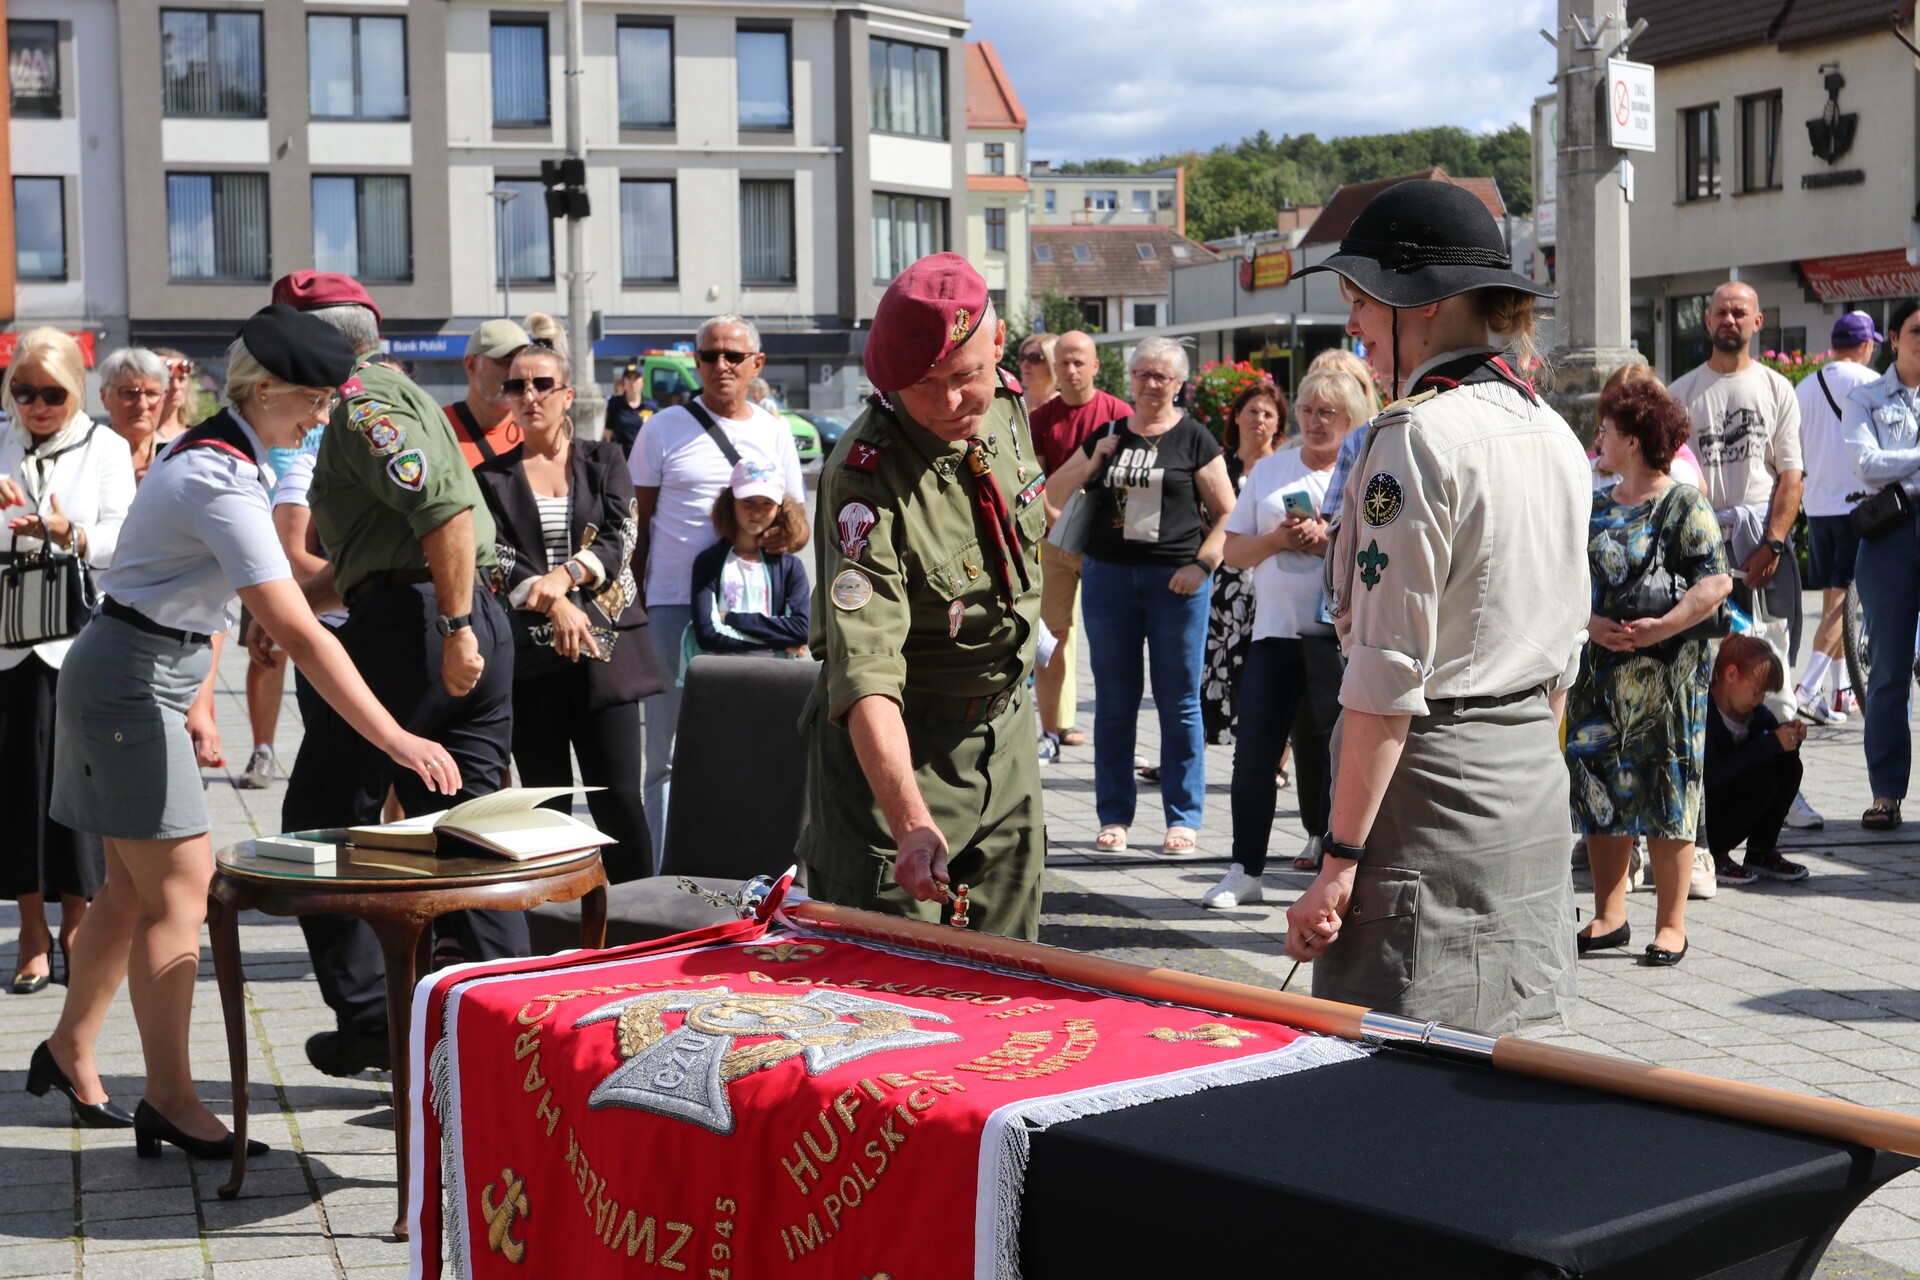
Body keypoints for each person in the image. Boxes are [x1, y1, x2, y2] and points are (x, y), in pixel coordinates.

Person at [29, 305, 458, 1153]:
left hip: (137, 671)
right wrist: (396, 739)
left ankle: (69, 1048)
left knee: (131, 891)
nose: (322, 419)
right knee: (183, 893)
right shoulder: (217, 476)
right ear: (265, 393)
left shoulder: (228, 454)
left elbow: (271, 597)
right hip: (130, 683)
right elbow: (298, 628)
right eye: (315, 402)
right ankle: (168, 1099)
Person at [1282, 179, 1587, 1034]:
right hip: (1531, 781)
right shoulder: (1553, 430)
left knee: (1398, 1068)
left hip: (1430, 794)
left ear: (1425, 303)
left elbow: (1386, 673)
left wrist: (1339, 859)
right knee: (1515, 1060)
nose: (1354, 321)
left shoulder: (1415, 437)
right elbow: (1566, 652)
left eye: (1363, 298)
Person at [274, 271, 524, 1077]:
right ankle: (506, 1038)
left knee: (318, 824)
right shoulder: (394, 392)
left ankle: (374, 1020)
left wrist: (453, 630)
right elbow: (372, 555)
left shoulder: (360, 406)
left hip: (420, 629)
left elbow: (442, 512)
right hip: (452, 612)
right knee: (467, 837)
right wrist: (283, 609)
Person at [797, 252, 1048, 939]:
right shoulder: (864, 478)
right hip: (901, 760)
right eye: (923, 386)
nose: (950, 403)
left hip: (1007, 741)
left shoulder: (1006, 408)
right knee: (888, 985)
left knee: (1011, 975)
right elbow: (866, 671)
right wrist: (910, 821)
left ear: (998, 345)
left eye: (966, 376)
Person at [473, 336, 661, 885]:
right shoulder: (490, 477)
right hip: (531, 659)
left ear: (567, 394)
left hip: (608, 650)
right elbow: (495, 557)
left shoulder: (605, 460)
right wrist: (555, 602)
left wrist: (565, 577)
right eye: (516, 385)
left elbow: (622, 536)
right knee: (545, 807)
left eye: (542, 384)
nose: (529, 395)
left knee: (620, 800)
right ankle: (555, 921)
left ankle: (636, 918)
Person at [1566, 378, 1733, 965]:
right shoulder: (1595, 506)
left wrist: (1662, 627)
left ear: (1634, 441)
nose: (1599, 441)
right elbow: (1565, 582)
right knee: (1600, 789)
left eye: (1607, 432)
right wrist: (1591, 624)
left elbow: (1717, 581)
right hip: (1601, 675)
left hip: (1669, 678)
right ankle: (1609, 917)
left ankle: (1670, 925)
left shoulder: (1683, 503)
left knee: (1668, 792)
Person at [1047, 336, 1235, 855]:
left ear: (1179, 384)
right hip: (1108, 580)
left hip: (1176, 584)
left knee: (1179, 702)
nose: (1151, 384)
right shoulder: (1109, 434)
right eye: (1142, 374)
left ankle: (1183, 817)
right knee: (1113, 702)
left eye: (1161, 376)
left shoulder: (1194, 438)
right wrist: (1092, 463)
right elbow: (1051, 492)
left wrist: (1202, 565)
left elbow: (1228, 512)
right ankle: (1114, 815)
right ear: (1129, 379)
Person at [629, 315, 805, 864]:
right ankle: (662, 872)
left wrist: (786, 548)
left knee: (755, 748)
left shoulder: (775, 431)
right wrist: (632, 608)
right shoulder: (662, 429)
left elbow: (796, 524)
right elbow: (636, 526)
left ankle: (751, 870)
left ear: (757, 364)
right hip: (673, 608)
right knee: (667, 754)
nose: (720, 365)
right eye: (709, 355)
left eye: (733, 355)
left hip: (756, 612)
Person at [0, 330, 135, 993]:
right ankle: (31, 929)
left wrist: (69, 533)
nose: (37, 406)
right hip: (7, 642)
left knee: (79, 786)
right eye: (23, 392)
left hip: (77, 640)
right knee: (17, 787)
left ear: (78, 390)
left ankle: (78, 923)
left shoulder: (105, 448)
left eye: (52, 393)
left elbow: (123, 538)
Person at [1668, 282, 1816, 834]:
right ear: (1708, 321)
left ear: (1757, 322)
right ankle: (1697, 789)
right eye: (1721, 312)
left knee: (1770, 666)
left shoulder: (1777, 388)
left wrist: (1773, 542)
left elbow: (1791, 474)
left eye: (1740, 312)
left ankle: (1784, 783)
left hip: (1760, 545)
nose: (1730, 319)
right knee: (1704, 670)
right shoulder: (1681, 393)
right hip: (1702, 544)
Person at [1203, 368, 1353, 908]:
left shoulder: (1362, 470)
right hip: (1273, 633)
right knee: (1254, 755)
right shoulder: (1271, 469)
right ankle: (1244, 871)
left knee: (1335, 758)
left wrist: (1326, 542)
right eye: (1308, 411)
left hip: (1339, 640)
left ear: (1350, 418)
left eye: (1328, 412)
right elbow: (1234, 551)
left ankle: (1334, 871)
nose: (1315, 421)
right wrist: (1278, 539)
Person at [1029, 331, 1132, 760]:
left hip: (1106, 547)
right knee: (1051, 639)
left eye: (1079, 362)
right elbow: (1033, 484)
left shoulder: (1119, 414)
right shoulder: (1040, 420)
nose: (1071, 370)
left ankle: (1118, 734)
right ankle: (1050, 732)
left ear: (1095, 366)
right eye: (1064, 363)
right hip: (1056, 546)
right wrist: (1060, 528)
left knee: (1113, 639)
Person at [1842, 297, 1920, 831]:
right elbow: (1868, 466)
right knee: (1889, 671)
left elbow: (1884, 465)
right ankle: (1886, 794)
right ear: (1893, 339)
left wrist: (1903, 466)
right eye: (1917, 331)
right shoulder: (1865, 397)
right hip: (1889, 537)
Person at [1794, 311, 1883, 725]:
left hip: (1816, 507)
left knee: (1834, 600)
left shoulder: (1804, 386)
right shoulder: (1872, 383)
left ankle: (1840, 691)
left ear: (1833, 345)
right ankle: (1807, 688)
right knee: (1843, 603)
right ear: (1865, 346)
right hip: (1857, 507)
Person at [1201, 379, 1288, 746]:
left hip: (1270, 586)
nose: (1259, 419)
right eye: (1252, 411)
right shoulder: (1216, 465)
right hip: (1220, 589)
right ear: (1236, 416)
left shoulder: (1286, 467)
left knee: (1270, 677)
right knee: (1218, 671)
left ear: (1278, 424)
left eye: (1269, 414)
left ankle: (1277, 764)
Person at [1705, 634, 1810, 883]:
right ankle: (1712, 853)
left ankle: (1761, 851)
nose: (1760, 699)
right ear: (1731, 675)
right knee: (1761, 779)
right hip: (1706, 816)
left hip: (1732, 806)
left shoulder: (1758, 715)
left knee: (1789, 766)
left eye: (1764, 693)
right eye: (1756, 691)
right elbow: (1711, 775)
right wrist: (1768, 744)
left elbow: (1776, 759)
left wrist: (1790, 740)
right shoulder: (1704, 712)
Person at [687, 459, 812, 659]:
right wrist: (779, 641)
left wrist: (730, 618)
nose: (757, 511)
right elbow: (707, 635)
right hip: (718, 675)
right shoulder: (709, 562)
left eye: (767, 503)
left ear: (780, 508)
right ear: (730, 502)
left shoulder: (790, 567)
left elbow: (802, 629)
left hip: (777, 675)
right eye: (748, 501)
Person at [445, 317, 531, 468]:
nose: (515, 372)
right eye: (505, 360)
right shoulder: (438, 428)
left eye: (522, 362)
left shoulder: (536, 428)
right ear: (471, 365)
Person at [97, 347, 169, 484]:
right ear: (104, 396)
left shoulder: (176, 456)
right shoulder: (89, 456)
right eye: (129, 393)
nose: (142, 405)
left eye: (152, 394)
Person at [150, 348, 197, 444]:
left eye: (181, 379)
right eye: (168, 379)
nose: (176, 386)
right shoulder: (136, 435)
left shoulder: (197, 435)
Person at [605, 363, 650, 456]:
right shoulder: (614, 405)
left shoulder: (650, 406)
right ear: (623, 383)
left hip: (644, 456)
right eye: (629, 378)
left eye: (636, 378)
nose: (632, 383)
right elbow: (608, 435)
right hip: (620, 457)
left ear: (642, 382)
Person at [1015, 332, 1059, 412]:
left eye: (1034, 358)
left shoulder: (1065, 406)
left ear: (1052, 364)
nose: (1025, 364)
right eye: (1022, 357)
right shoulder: (1011, 402)